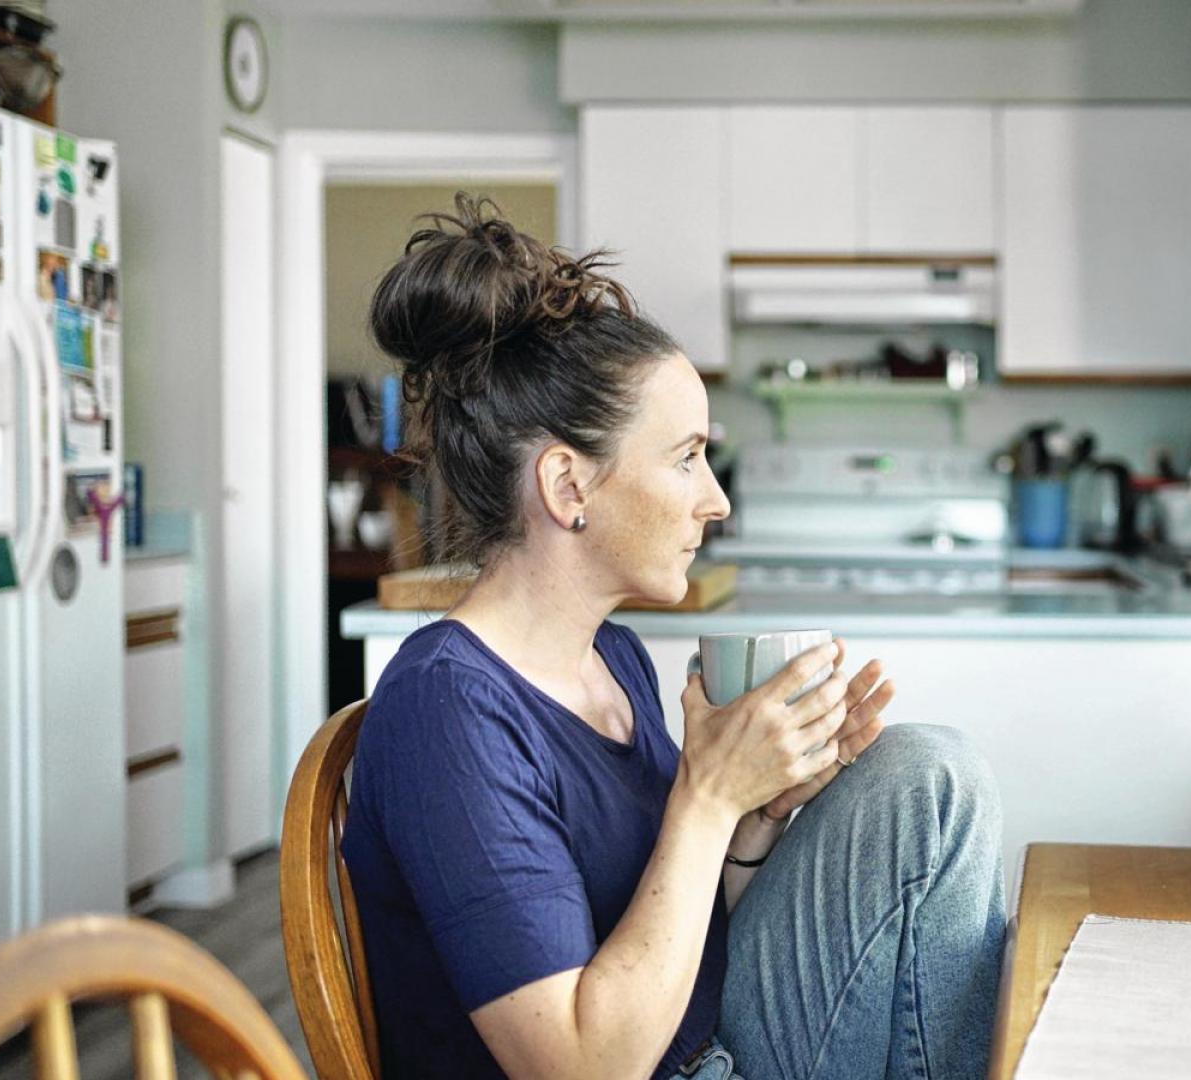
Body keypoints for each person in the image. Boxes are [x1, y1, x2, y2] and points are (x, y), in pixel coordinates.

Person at [340, 195, 1006, 1080]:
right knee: (937, 786)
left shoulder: (610, 658)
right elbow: (579, 1067)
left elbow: (687, 933)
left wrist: (753, 814)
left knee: (922, 773)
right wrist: (705, 794)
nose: (716, 499)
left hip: (701, 1043)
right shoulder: (446, 706)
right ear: (568, 485)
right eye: (686, 457)